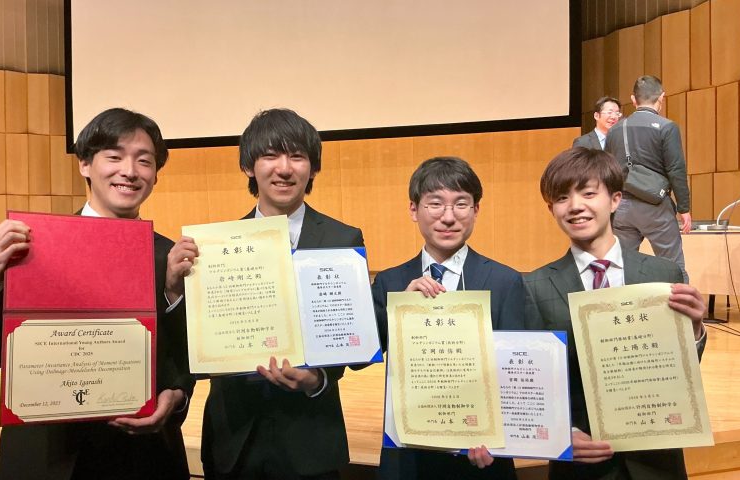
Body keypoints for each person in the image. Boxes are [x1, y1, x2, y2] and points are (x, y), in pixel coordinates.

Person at [0, 108, 195, 480]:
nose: (129, 171)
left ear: (155, 175)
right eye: (114, 157)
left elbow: (184, 361)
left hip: (141, 458)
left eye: (144, 161)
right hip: (46, 457)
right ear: (85, 164)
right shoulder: (34, 247)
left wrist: (177, 396)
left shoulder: (173, 259)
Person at [167, 108, 364, 479]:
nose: (284, 168)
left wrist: (318, 379)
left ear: (313, 168)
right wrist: (174, 289)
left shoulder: (343, 238)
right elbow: (191, 341)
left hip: (310, 437)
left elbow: (349, 339)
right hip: (233, 438)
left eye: (297, 156)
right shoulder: (215, 247)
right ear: (249, 166)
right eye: (271, 155)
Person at [524, 147, 707, 479]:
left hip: (657, 459)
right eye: (562, 198)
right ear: (551, 210)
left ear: (615, 200)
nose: (575, 206)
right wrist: (561, 435)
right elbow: (532, 385)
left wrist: (694, 330)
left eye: (588, 193)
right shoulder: (534, 286)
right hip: (583, 463)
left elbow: (680, 371)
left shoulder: (663, 274)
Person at [370, 156, 525, 480]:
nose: (449, 217)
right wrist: (401, 310)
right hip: (408, 455)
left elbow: (516, 370)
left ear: (476, 210)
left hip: (480, 455)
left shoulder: (505, 281)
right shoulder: (390, 282)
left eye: (461, 204)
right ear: (414, 210)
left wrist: (501, 437)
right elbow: (367, 351)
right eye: (435, 203)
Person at [605, 75, 691, 282]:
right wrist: (684, 208)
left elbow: (606, 170)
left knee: (621, 268)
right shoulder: (667, 127)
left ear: (633, 99)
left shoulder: (615, 130)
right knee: (672, 267)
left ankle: (620, 304)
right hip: (656, 207)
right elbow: (676, 169)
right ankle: (677, 304)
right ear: (662, 97)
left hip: (622, 207)